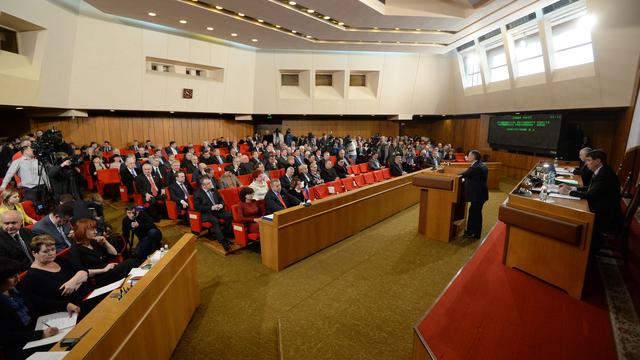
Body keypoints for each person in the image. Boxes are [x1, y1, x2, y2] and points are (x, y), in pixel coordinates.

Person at [559, 149, 623, 252]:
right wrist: (572, 188)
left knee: (575, 214)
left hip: (606, 215)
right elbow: (591, 188)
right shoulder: (601, 170)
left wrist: (568, 193)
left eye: (589, 160)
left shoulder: (605, 174)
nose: (586, 163)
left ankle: (583, 249)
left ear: (598, 161)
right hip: (603, 206)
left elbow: (591, 194)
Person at [0, 257, 62, 359]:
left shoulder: (16, 287)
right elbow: (5, 337)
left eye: (17, 274)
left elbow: (38, 301)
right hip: (20, 344)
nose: (18, 279)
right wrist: (40, 334)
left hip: (37, 328)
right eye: (12, 277)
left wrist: (65, 305)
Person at [21, 235, 97, 317]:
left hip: (90, 294)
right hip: (73, 308)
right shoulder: (32, 276)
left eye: (53, 249)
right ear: (34, 253)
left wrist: (72, 282)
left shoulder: (60, 260)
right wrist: (79, 280)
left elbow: (84, 271)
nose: (51, 253)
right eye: (46, 251)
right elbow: (41, 303)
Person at [70, 219, 142, 287]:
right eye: (92, 230)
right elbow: (81, 272)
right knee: (130, 263)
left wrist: (105, 242)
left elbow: (114, 253)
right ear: (82, 232)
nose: (95, 232)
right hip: (99, 277)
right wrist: (104, 270)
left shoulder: (93, 242)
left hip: (109, 271)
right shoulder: (75, 249)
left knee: (132, 265)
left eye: (95, 229)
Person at [194, 177, 233, 251]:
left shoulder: (214, 190)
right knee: (215, 221)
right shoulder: (197, 193)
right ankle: (223, 241)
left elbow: (221, 200)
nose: (211, 184)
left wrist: (221, 205)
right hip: (206, 213)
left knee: (230, 215)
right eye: (208, 183)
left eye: (210, 182)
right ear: (203, 186)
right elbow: (197, 207)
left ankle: (224, 234)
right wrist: (211, 207)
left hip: (218, 210)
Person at [460, 150, 488, 239]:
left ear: (473, 157)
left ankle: (474, 233)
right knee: (474, 212)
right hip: (481, 194)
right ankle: (472, 231)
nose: (467, 157)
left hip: (477, 195)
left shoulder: (475, 167)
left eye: (468, 155)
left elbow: (463, 174)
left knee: (475, 214)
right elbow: (474, 177)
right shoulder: (481, 165)